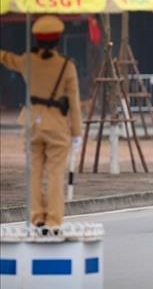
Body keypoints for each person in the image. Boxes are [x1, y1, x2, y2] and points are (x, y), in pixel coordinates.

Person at [0, 15, 82, 233]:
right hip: (56, 124)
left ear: (36, 39)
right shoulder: (66, 66)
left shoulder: (27, 60)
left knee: (34, 172)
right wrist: (77, 133)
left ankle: (36, 217)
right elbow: (73, 103)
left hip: (31, 123)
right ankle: (54, 221)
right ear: (57, 39)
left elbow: (7, 59)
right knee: (55, 174)